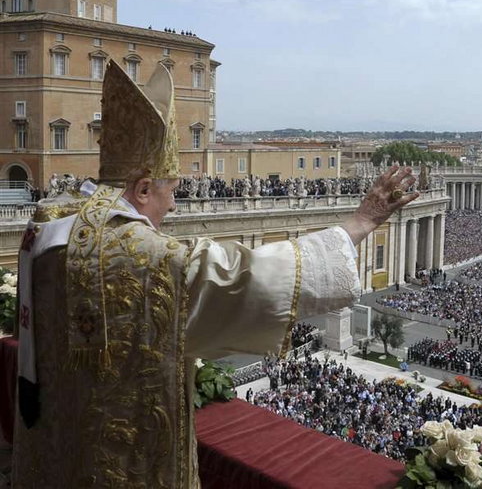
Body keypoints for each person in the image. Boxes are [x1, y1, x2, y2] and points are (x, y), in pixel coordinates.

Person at [12, 61, 420, 488]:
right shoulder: (146, 255)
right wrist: (361, 222)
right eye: (171, 191)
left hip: (55, 437)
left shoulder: (53, 220)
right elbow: (246, 278)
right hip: (125, 457)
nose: (173, 206)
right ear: (144, 189)